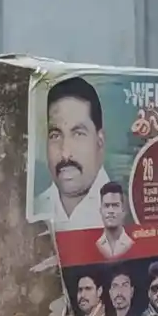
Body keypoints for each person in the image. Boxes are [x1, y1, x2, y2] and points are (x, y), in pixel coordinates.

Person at [39, 75, 110, 227]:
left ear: (100, 141)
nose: (65, 153)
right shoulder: (34, 212)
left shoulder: (127, 212)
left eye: (78, 134)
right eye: (55, 135)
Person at [95, 180, 134, 262]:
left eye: (115, 205)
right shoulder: (95, 244)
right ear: (100, 211)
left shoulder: (131, 243)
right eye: (106, 206)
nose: (111, 211)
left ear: (123, 211)